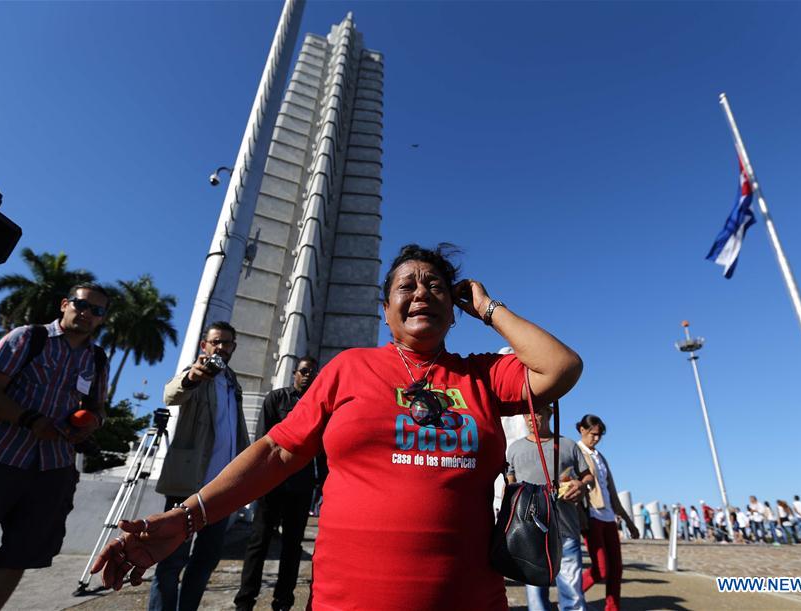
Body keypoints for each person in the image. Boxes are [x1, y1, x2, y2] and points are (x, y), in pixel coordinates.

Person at [91, 243, 583, 610]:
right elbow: (275, 453)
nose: (420, 293)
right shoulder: (349, 368)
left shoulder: (482, 374)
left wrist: (487, 307)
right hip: (346, 600)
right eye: (405, 286)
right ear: (385, 309)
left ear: (454, 312)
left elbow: (561, 367)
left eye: (435, 285)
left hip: (468, 599)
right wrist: (186, 518)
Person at [0, 283, 110, 610]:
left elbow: (99, 409)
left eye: (97, 311)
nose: (87, 313)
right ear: (65, 304)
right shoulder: (27, 338)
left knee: (18, 557)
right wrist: (31, 420)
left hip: (52, 470)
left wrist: (91, 423)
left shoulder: (97, 359)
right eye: (81, 304)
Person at [148, 321, 250, 611]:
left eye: (226, 343)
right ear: (204, 345)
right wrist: (192, 377)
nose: (221, 347)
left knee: (205, 561)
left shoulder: (233, 383)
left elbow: (237, 433)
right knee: (171, 562)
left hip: (220, 490)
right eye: (215, 342)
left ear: (233, 348)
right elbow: (171, 394)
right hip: (188, 486)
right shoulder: (197, 375)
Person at [234, 356, 321, 611]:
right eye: (304, 371)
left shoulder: (319, 405)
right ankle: (245, 602)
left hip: (302, 486)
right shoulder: (276, 399)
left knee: (292, 547)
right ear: (294, 373)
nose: (308, 376)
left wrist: (321, 482)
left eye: (313, 373)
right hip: (272, 485)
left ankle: (283, 602)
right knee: (258, 543)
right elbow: (264, 439)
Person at [507, 403, 589, 611]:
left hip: (566, 530)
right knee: (535, 596)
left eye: (536, 413)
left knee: (573, 593)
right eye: (526, 414)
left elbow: (587, 475)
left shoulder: (568, 445)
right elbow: (510, 482)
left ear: (549, 414)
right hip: (530, 534)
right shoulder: (515, 449)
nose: (530, 418)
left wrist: (581, 484)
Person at [577, 414, 640, 611]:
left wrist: (629, 522)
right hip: (591, 516)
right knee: (601, 568)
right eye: (593, 434)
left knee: (616, 569)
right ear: (582, 430)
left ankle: (612, 608)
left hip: (608, 516)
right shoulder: (575, 451)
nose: (596, 439)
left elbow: (611, 491)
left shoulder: (600, 456)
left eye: (599, 435)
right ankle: (570, 595)